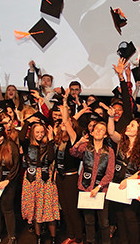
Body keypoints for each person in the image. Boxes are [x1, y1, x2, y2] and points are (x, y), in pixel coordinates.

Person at [107, 109, 140, 244]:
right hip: (118, 184)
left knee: (130, 216)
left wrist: (129, 180)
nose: (128, 127)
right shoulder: (122, 143)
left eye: (132, 126)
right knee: (119, 216)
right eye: (129, 125)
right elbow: (111, 132)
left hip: (133, 184)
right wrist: (111, 117)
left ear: (139, 131)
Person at [71, 121, 115, 244]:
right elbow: (73, 153)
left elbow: (110, 173)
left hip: (101, 191)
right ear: (92, 132)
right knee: (88, 221)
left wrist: (98, 187)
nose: (98, 131)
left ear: (105, 135)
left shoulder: (109, 151)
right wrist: (79, 142)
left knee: (104, 222)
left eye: (102, 130)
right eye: (96, 129)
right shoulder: (86, 147)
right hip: (85, 188)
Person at [19, 120, 58, 244]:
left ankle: (53, 238)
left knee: (49, 208)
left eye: (42, 132)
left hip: (46, 179)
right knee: (35, 209)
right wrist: (27, 123)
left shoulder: (48, 144)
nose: (40, 134)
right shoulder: (27, 144)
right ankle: (38, 237)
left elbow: (51, 158)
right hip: (32, 179)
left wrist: (51, 140)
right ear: (32, 133)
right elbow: (20, 136)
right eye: (37, 132)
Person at [54, 92, 84, 244]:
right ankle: (71, 235)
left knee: (72, 209)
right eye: (62, 124)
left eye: (67, 124)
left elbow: (66, 121)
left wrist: (65, 102)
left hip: (72, 177)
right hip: (60, 177)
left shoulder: (75, 138)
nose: (64, 124)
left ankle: (78, 238)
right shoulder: (59, 140)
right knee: (65, 209)